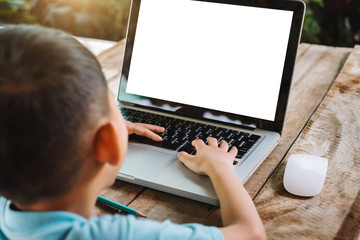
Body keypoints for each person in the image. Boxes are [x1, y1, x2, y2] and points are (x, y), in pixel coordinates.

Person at [0, 25, 266, 240]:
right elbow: (250, 234)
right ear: (107, 144)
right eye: (114, 107)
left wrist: (84, 129)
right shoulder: (116, 235)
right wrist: (220, 167)